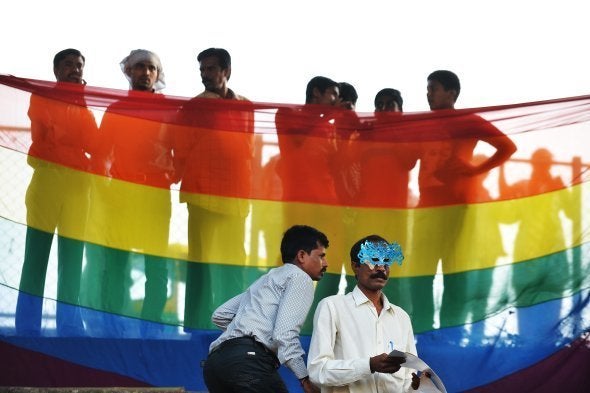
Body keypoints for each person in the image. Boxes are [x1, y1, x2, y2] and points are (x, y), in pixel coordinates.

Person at [405, 70, 517, 330]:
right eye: (428, 88)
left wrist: (475, 170)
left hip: (456, 206)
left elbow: (507, 147)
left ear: (451, 93)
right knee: (420, 273)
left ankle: (451, 332)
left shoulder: (468, 121)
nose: (428, 94)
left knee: (454, 274)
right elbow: (409, 160)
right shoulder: (423, 124)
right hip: (426, 205)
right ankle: (422, 329)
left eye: (434, 88)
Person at [87, 49, 174, 337]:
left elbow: (184, 150)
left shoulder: (170, 110)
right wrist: (106, 189)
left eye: (151, 68)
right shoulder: (116, 109)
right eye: (139, 67)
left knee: (157, 265)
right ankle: (111, 326)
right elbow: (100, 152)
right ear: (128, 72)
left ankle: (151, 328)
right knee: (116, 263)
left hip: (156, 195)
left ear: (158, 75)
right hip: (121, 195)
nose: (145, 73)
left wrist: (177, 174)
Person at [16, 48, 98, 336]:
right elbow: (46, 136)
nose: (75, 69)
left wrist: (79, 106)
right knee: (36, 255)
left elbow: (93, 143)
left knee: (72, 257)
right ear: (56, 71)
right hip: (47, 182)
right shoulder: (41, 97)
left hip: (78, 187)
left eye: (79, 65)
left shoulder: (84, 105)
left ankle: (70, 325)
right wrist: (71, 138)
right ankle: (26, 327)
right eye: (68, 65)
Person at [174, 47, 255, 332]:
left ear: (227, 71)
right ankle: (196, 324)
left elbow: (249, 151)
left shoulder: (246, 106)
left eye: (211, 69)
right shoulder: (193, 107)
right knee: (201, 262)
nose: (205, 75)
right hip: (203, 194)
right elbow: (180, 148)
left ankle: (236, 325)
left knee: (234, 264)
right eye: (202, 70)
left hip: (236, 196)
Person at [203, 224, 329, 393]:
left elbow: (220, 315)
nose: (326, 263)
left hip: (215, 365)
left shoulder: (266, 280)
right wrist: (305, 378)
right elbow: (284, 334)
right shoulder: (300, 278)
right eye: (321, 256)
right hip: (247, 364)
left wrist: (245, 336)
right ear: (301, 255)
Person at [308, 235, 429, 392]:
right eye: (373, 260)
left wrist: (417, 386)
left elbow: (408, 378)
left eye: (386, 262)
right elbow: (317, 371)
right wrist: (369, 365)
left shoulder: (401, 317)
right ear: (355, 266)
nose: (381, 268)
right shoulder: (332, 307)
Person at [275, 76, 349, 332]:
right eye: (332, 95)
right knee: (292, 267)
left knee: (327, 266)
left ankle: (312, 325)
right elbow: (297, 140)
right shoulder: (287, 115)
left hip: (328, 207)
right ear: (316, 93)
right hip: (298, 207)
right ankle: (278, 324)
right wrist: (328, 117)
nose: (336, 102)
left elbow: (338, 165)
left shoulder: (329, 128)